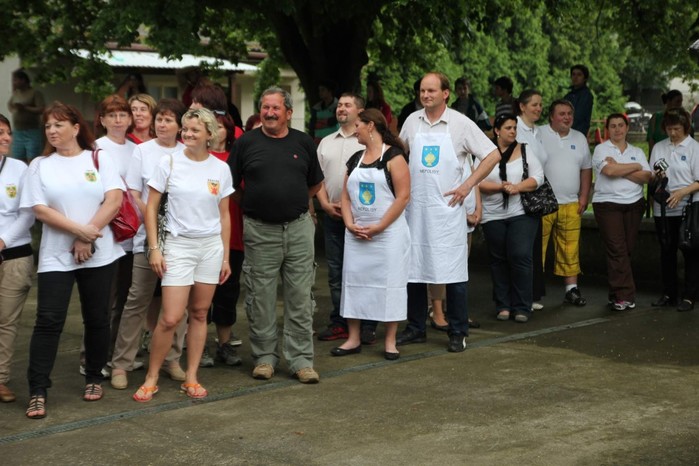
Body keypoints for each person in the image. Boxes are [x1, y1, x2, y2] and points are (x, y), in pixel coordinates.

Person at [21, 102, 125, 418]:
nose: (52, 131)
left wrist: (86, 236)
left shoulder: (99, 158)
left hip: (99, 253)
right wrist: (79, 231)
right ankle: (38, 389)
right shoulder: (40, 165)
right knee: (48, 320)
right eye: (48, 126)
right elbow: (40, 209)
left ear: (76, 128)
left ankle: (94, 376)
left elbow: (114, 200)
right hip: (56, 255)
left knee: (97, 318)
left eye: (58, 125)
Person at [133, 108, 233, 402]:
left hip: (210, 247)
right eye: (185, 129)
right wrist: (155, 248)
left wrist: (225, 257)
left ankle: (191, 376)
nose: (187, 134)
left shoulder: (220, 169)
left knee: (200, 314)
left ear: (209, 134)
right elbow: (152, 208)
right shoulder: (169, 162)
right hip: (178, 246)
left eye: (194, 130)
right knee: (171, 317)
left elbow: (224, 216)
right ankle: (152, 377)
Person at [397, 72, 500, 352]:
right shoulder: (411, 121)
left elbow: (492, 154)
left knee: (453, 273)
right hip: (416, 210)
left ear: (445, 94)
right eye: (422, 91)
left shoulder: (461, 123)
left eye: (431, 90)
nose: (425, 95)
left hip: (447, 212)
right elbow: (398, 154)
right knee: (414, 271)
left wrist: (468, 185)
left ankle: (457, 330)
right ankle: (415, 327)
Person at [231, 86, 323, 383]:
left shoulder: (303, 142)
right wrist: (255, 205)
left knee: (301, 297)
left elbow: (315, 184)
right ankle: (264, 358)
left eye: (275, 108)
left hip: (298, 229)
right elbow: (230, 186)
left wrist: (291, 203)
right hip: (259, 231)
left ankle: (301, 360)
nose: (269, 113)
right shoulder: (246, 143)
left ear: (289, 112)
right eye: (265, 107)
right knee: (260, 298)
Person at [110, 98, 188, 390]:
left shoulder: (187, 152)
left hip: (180, 241)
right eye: (159, 119)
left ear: (180, 125)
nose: (162, 124)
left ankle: (172, 359)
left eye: (168, 120)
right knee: (136, 301)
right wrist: (155, 219)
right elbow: (133, 193)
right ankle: (121, 363)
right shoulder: (142, 151)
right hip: (147, 237)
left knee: (177, 305)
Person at [331, 108, 410, 359]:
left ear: (371, 126)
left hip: (388, 235)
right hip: (357, 234)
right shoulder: (355, 159)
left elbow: (403, 197)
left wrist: (380, 226)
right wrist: (349, 223)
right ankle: (353, 338)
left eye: (358, 125)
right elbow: (345, 197)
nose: (355, 130)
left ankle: (390, 341)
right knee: (354, 284)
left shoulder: (394, 157)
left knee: (390, 284)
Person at [316, 93, 379, 344]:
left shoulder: (368, 142)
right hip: (332, 216)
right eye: (339, 105)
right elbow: (317, 178)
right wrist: (323, 203)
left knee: (365, 271)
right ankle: (340, 322)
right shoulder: (325, 142)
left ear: (360, 111)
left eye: (347, 105)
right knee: (336, 272)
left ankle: (368, 324)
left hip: (362, 218)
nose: (341, 108)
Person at [88, 95, 136, 377]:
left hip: (132, 235)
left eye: (123, 114)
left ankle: (115, 357)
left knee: (124, 302)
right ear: (102, 120)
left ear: (130, 119)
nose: (118, 120)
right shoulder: (95, 149)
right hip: (105, 234)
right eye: (112, 115)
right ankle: (92, 358)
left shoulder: (137, 149)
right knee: (102, 302)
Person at [478, 113, 543, 322]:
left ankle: (522, 306)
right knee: (498, 259)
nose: (513, 131)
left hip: (521, 212)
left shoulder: (524, 149)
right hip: (492, 214)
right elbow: (476, 181)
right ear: (497, 131)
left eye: (514, 127)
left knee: (520, 254)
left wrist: (518, 187)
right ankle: (503, 305)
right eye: (508, 128)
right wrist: (500, 187)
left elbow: (538, 177)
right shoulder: (484, 152)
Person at [592, 114, 651, 311]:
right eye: (613, 126)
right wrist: (635, 167)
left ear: (627, 128)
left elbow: (647, 177)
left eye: (620, 125)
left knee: (625, 251)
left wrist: (618, 166)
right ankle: (625, 296)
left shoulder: (637, 151)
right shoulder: (601, 149)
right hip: (608, 205)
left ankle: (615, 294)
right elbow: (609, 172)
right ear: (608, 129)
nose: (617, 129)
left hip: (634, 204)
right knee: (617, 250)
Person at [539, 99, 592, 306]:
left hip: (571, 203)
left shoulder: (579, 137)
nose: (567, 117)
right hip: (543, 204)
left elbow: (586, 169)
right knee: (538, 249)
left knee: (570, 249)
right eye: (562, 114)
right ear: (551, 116)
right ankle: (533, 291)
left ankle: (571, 290)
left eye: (569, 113)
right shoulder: (539, 133)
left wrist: (584, 196)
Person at [649, 108, 699, 312]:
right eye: (669, 129)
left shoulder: (694, 148)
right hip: (664, 208)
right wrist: (658, 180)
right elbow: (652, 175)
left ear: (686, 127)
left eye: (677, 128)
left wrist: (681, 193)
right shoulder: (659, 147)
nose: (673, 133)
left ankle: (689, 296)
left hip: (688, 207)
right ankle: (669, 293)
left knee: (691, 252)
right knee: (666, 251)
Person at [205, 109, 244, 366]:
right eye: (212, 126)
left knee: (227, 293)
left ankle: (224, 344)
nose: (216, 130)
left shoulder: (235, 159)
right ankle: (199, 345)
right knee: (199, 295)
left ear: (229, 132)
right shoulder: (198, 159)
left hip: (233, 235)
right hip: (203, 237)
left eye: (221, 126)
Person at [0, 114, 35, 403]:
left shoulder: (19, 168)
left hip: (15, 254)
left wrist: (2, 241)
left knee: (7, 320)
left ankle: (0, 379)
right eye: (0, 132)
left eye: (8, 132)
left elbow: (28, 213)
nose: (7, 138)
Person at [515, 89, 547, 310]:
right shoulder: (516, 129)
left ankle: (533, 294)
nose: (538, 108)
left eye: (540, 105)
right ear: (522, 106)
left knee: (534, 247)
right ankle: (520, 297)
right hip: (519, 195)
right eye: (534, 104)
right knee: (521, 250)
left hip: (535, 197)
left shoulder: (537, 131)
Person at [7, 69, 45, 162]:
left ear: (23, 80)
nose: (14, 83)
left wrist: (25, 108)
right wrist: (15, 108)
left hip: (32, 131)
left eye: (16, 80)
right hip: (18, 131)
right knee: (18, 159)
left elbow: (41, 109)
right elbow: (10, 105)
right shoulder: (16, 93)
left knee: (33, 158)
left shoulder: (34, 93)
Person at [647, 90, 683, 154]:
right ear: (668, 101)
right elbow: (651, 139)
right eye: (677, 101)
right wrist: (657, 156)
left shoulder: (682, 119)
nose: (680, 105)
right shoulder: (656, 117)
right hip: (658, 155)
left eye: (681, 102)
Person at [564, 64, 594, 137]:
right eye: (573, 74)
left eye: (579, 75)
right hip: (565, 132)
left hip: (577, 133)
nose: (575, 77)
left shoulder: (586, 95)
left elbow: (578, 116)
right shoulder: (568, 96)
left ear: (585, 78)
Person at [309, 80, 339, 145]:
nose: (320, 93)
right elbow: (312, 125)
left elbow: (333, 122)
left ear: (330, 91)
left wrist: (319, 123)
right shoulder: (316, 108)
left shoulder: (339, 106)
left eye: (323, 90)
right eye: (319, 90)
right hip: (318, 142)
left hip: (334, 142)